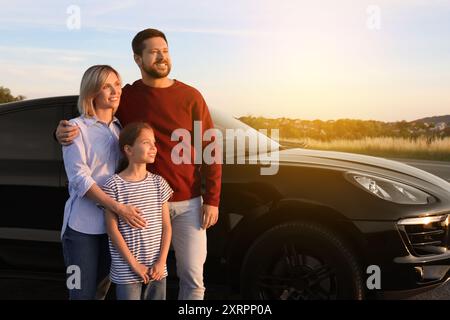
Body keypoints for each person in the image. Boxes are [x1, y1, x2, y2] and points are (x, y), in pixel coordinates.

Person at [57, 28, 222, 300]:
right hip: (138, 203)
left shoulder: (190, 96)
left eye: (165, 51)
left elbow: (210, 147)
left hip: (185, 202)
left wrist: (212, 198)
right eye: (154, 51)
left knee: (191, 278)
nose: (162, 56)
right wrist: (59, 132)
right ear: (138, 59)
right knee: (127, 277)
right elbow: (90, 118)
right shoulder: (127, 97)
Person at [61, 65, 146, 300]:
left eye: (117, 84)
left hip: (115, 229)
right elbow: (79, 179)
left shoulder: (122, 130)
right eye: (106, 86)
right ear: (92, 92)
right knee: (79, 293)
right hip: (81, 229)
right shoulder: (74, 128)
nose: (115, 90)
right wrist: (118, 207)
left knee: (101, 293)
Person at [102, 122, 173, 300]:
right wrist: (135, 265)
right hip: (127, 269)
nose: (153, 147)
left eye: (154, 143)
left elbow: (167, 227)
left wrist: (161, 262)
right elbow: (112, 230)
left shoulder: (159, 183)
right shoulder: (113, 185)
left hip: (157, 269)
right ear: (129, 149)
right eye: (146, 142)